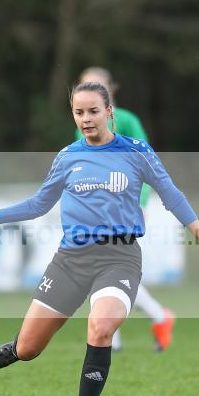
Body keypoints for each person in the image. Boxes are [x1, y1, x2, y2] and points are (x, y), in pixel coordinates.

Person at [0, 81, 199, 396]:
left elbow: (172, 196)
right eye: (79, 112)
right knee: (30, 348)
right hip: (70, 260)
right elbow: (39, 204)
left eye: (93, 111)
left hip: (120, 257)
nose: (86, 119)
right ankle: (19, 349)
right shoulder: (68, 157)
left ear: (110, 112)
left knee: (100, 327)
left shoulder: (136, 152)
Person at [74, 67, 176, 352]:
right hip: (97, 208)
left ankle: (138, 325)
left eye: (96, 85)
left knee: (109, 269)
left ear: (110, 91)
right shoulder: (81, 124)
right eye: (84, 85)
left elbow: (146, 162)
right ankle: (132, 328)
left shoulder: (128, 120)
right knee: (102, 270)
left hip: (127, 205)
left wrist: (140, 202)